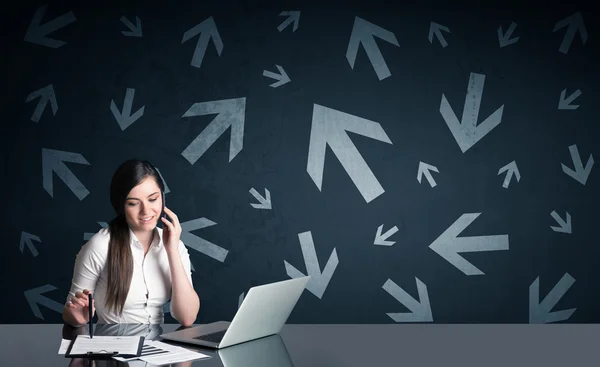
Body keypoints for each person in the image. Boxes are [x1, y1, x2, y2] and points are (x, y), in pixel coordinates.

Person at [62, 159, 200, 327]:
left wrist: (172, 251)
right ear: (121, 206)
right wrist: (77, 317)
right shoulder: (100, 245)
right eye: (133, 203)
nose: (146, 211)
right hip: (112, 347)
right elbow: (70, 312)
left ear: (162, 197)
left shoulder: (175, 244)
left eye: (153, 199)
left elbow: (187, 318)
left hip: (159, 347)